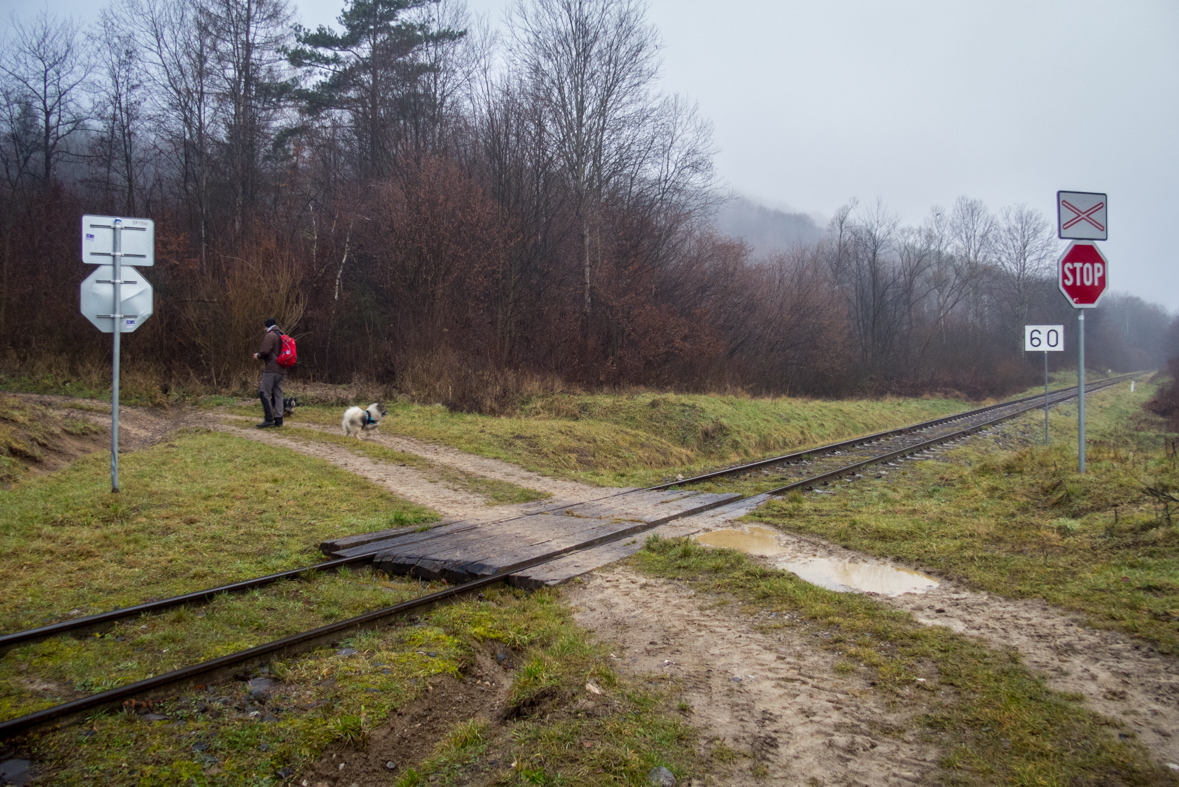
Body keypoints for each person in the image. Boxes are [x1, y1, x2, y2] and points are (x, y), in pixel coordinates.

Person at [254, 318, 285, 428]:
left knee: (264, 392)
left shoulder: (270, 335)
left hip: (271, 369)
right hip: (281, 369)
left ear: (267, 326)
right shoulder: (282, 335)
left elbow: (265, 351)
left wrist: (258, 356)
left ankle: (268, 419)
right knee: (278, 394)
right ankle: (279, 420)